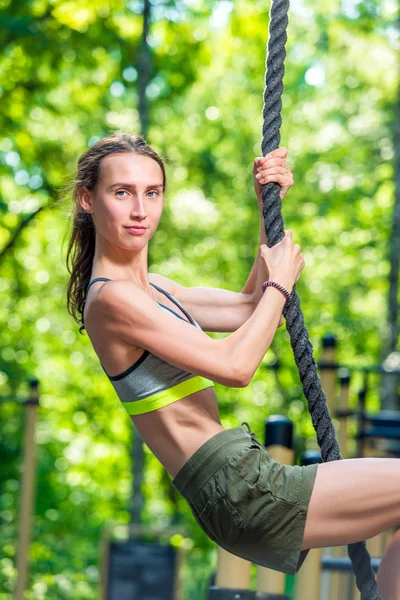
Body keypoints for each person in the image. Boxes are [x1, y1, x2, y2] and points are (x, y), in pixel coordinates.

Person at [65, 131, 399, 596]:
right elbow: (237, 365)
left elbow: (247, 307)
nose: (141, 210)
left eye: (152, 193)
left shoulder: (154, 289)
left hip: (242, 479)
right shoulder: (110, 300)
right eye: (122, 193)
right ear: (88, 199)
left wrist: (269, 208)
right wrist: (280, 284)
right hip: (238, 488)